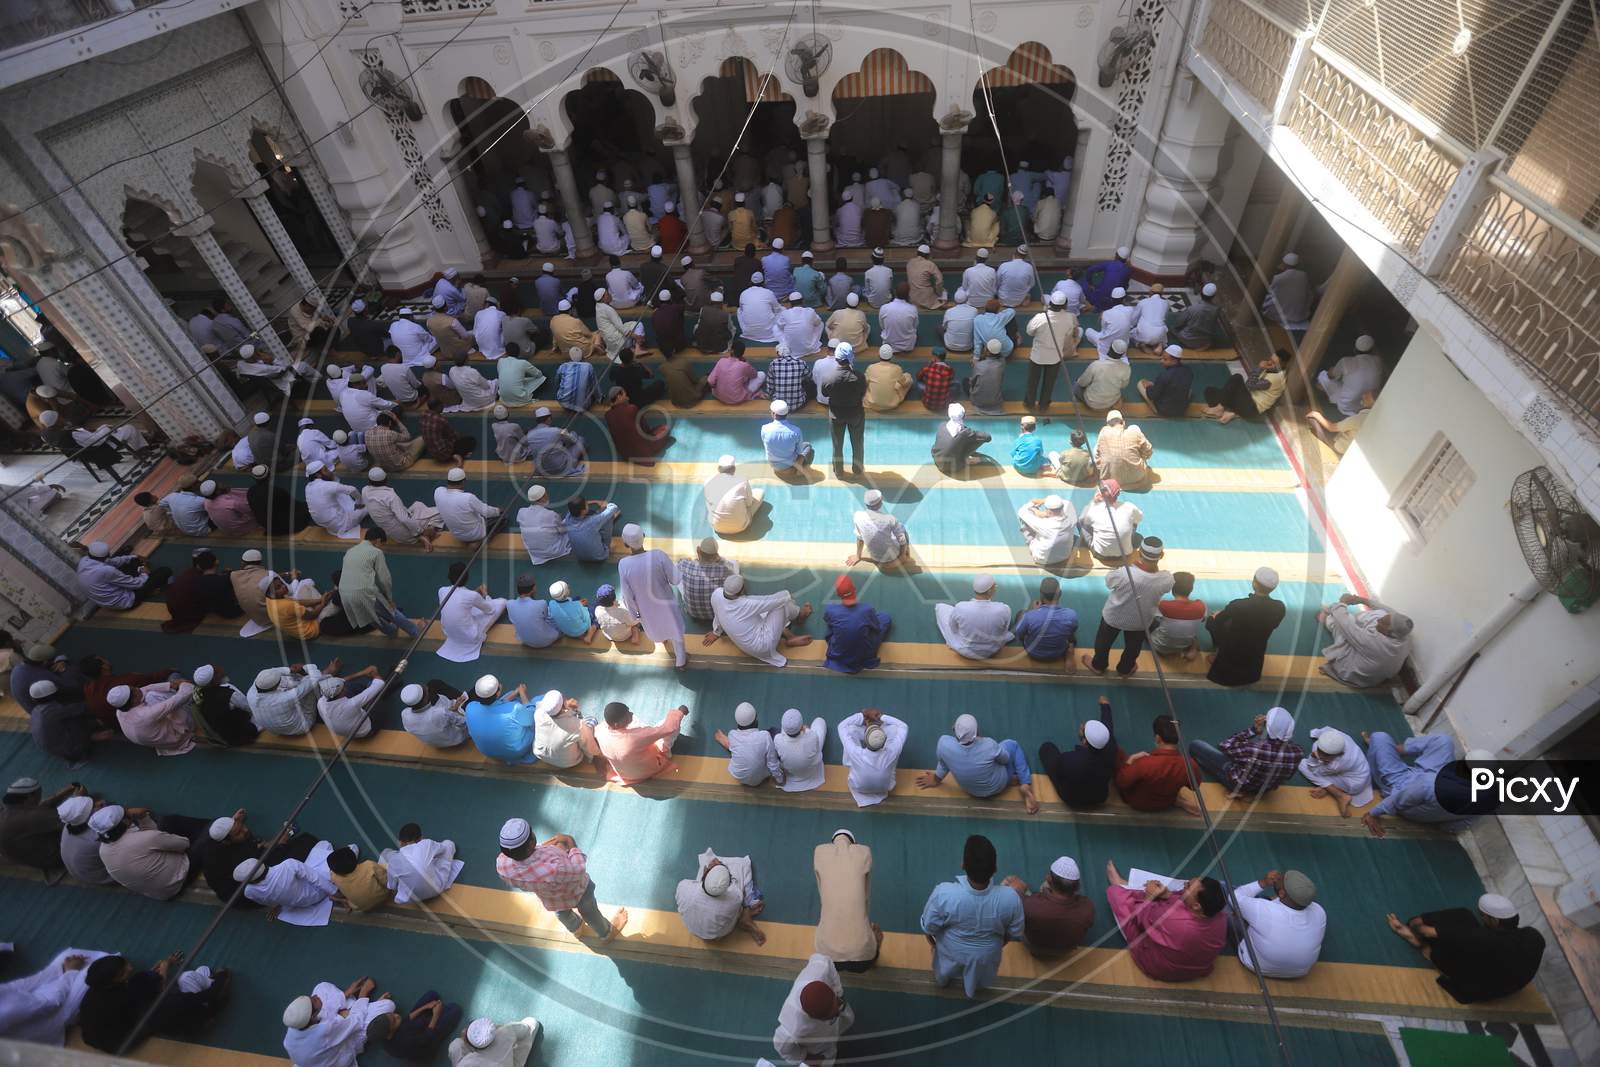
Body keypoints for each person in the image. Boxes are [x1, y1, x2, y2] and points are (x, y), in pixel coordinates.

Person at [1385, 893, 1546, 1004]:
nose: (1481, 917)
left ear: (1495, 922)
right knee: (1472, 942)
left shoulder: (1475, 936)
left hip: (1474, 989)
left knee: (1462, 918)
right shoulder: (1534, 936)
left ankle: (1419, 944)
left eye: (1483, 915)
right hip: (1510, 987)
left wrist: (1414, 926)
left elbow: (1423, 930)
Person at [921, 834, 1025, 998]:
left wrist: (936, 945)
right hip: (988, 954)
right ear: (995, 869)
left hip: (950, 950)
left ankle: (943, 980)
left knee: (943, 974)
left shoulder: (944, 893)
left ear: (963, 865)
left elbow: (928, 927)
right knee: (981, 980)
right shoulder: (1011, 898)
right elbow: (1015, 932)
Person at [79, 953, 229, 1053]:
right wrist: (165, 967)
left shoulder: (100, 989)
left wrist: (163, 967)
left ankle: (204, 985)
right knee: (168, 1004)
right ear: (113, 981)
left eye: (126, 965)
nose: (130, 968)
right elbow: (161, 992)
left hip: (102, 1034)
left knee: (186, 981)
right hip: (120, 1042)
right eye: (124, 971)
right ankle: (205, 1015)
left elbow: (142, 983)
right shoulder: (127, 998)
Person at [1105, 861, 1229, 981]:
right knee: (1172, 892)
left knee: (1117, 895)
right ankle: (1128, 886)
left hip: (1160, 967)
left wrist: (1149, 896)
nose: (1185, 884)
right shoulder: (1221, 917)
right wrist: (1168, 895)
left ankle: (1121, 886)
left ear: (1197, 906)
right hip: (1197, 968)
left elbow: (1141, 917)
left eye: (1188, 886)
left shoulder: (1173, 920)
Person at [1360, 733, 1495, 837]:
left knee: (1379, 737)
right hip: (1431, 780)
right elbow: (1463, 823)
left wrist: (1372, 814)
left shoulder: (1431, 785)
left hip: (1401, 784)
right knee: (1443, 740)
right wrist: (1446, 828)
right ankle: (1395, 749)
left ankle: (1384, 748)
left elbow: (1398, 800)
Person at [1082, 537, 1173, 677]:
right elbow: (1159, 583)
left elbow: (1109, 581)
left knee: (1103, 643)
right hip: (1141, 621)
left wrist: (1130, 565)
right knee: (1133, 647)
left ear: (1139, 552)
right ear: (1161, 555)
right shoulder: (1166, 579)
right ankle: (1125, 669)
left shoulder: (1125, 573)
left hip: (1114, 616)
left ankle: (1098, 665)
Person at [918, 713, 1039, 813]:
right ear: (977, 733)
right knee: (1012, 745)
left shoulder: (943, 743)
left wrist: (936, 779)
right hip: (998, 784)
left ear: (954, 730)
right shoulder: (989, 744)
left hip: (972, 791)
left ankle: (1010, 780)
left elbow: (944, 763)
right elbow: (1005, 760)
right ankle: (1025, 783)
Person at [92, 805, 210, 901]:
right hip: (180, 877)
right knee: (210, 832)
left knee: (168, 821)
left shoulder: (103, 850)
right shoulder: (145, 838)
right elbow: (185, 844)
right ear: (126, 821)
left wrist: (143, 818)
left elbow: (151, 838)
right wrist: (144, 817)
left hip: (157, 893)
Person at [0, 946, 112, 1045]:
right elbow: (51, 1002)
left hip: (32, 1001)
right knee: (100, 965)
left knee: (68, 956)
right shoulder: (7, 1012)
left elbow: (15, 987)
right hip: (45, 1019)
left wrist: (59, 969)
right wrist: (71, 972)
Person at [1187, 706, 1304, 800]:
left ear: (1266, 726)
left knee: (1196, 745)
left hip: (1238, 782)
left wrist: (1253, 730)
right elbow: (1287, 776)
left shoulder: (1253, 749)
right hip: (1264, 789)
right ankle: (1252, 794)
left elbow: (1225, 745)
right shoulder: (1298, 752)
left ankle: (1238, 790)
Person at [617, 524, 689, 668]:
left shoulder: (623, 564)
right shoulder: (658, 555)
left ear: (625, 543)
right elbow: (675, 579)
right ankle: (681, 659)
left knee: (658, 628)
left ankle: (664, 639)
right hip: (666, 604)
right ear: (643, 537)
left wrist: (634, 614)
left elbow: (627, 594)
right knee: (674, 628)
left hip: (645, 608)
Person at [281, 976, 395, 1067]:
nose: (315, 996)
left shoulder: (293, 1028)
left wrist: (346, 994)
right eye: (314, 1000)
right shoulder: (323, 1031)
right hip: (340, 1054)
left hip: (323, 1047)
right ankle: (358, 1006)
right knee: (388, 1006)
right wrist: (363, 993)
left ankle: (352, 1007)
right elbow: (356, 1022)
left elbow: (325, 1013)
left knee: (321, 987)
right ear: (312, 1016)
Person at [813, 829, 883, 973]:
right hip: (863, 957)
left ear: (831, 843)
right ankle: (873, 958)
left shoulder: (819, 852)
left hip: (828, 955)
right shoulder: (864, 852)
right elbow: (866, 894)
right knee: (875, 932)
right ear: (854, 843)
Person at [706, 575, 814, 666]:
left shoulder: (716, 594)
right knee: (781, 604)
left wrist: (716, 632)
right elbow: (780, 598)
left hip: (747, 645)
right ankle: (801, 615)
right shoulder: (747, 603)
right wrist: (788, 595)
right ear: (741, 590)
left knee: (764, 610)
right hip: (763, 646)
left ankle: (790, 637)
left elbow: (718, 611)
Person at [1205, 567, 1286, 686]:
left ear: (1254, 583)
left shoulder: (1239, 604)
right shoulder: (1279, 607)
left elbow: (1220, 621)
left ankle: (1218, 650)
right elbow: (1274, 625)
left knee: (1211, 620)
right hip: (1256, 649)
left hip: (1232, 647)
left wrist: (1216, 616)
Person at [772, 952, 854, 1066]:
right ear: (812, 1017)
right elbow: (781, 1045)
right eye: (831, 1016)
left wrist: (838, 992)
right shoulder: (793, 1025)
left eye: (835, 1006)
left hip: (831, 1030)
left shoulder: (820, 969)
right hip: (819, 1045)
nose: (837, 1012)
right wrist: (806, 1057)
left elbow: (827, 961)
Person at [1002, 856, 1094, 958]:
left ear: (1049, 878)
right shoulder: (1087, 908)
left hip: (1034, 946)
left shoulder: (1030, 905)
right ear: (1077, 886)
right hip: (1064, 951)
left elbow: (1016, 903)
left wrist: (1019, 890)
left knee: (1008, 887)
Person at [1319, 593, 1414, 688]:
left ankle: (1327, 619)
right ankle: (1340, 615)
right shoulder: (1405, 635)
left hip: (1351, 674)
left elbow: (1344, 623)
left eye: (1383, 622)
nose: (1379, 621)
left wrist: (1342, 603)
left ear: (1389, 632)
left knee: (1341, 628)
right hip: (1374, 666)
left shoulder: (1374, 641)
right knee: (1380, 613)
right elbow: (1388, 611)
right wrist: (1361, 600)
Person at [676, 847, 767, 944]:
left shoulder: (683, 887)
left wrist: (712, 871)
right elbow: (736, 889)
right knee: (740, 906)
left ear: (704, 874)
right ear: (728, 885)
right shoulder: (735, 897)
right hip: (719, 934)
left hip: (693, 929)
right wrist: (723, 869)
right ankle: (744, 917)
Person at [1038, 696, 1116, 808]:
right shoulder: (1111, 750)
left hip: (1072, 799)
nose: (1082, 726)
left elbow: (1059, 771)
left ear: (1085, 742)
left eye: (1083, 730)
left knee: (1047, 748)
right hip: (1099, 797)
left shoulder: (1070, 760)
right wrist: (1105, 706)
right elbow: (1108, 727)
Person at [1115, 714, 1200, 811]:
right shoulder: (1190, 765)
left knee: (1119, 754)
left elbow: (1121, 782)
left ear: (1158, 738)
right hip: (1166, 803)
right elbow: (1194, 786)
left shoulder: (1144, 763)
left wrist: (1130, 760)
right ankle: (1176, 800)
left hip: (1137, 803)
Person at [594, 700, 688, 784]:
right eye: (627, 715)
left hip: (624, 775)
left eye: (628, 711)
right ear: (617, 724)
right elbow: (668, 728)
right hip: (649, 769)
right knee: (668, 731)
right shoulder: (637, 736)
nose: (631, 714)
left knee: (635, 723)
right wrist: (679, 712)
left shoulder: (599, 731)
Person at [2, 778, 80, 875]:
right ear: (30, 797)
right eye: (39, 793)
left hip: (22, 855)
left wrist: (65, 792)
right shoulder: (30, 817)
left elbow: (40, 807)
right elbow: (73, 818)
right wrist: (79, 798)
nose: (41, 796)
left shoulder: (9, 811)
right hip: (51, 858)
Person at [823, 575, 892, 675]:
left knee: (832, 627)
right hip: (865, 655)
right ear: (854, 589)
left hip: (838, 655)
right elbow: (876, 628)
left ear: (838, 594)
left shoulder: (831, 610)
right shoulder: (867, 609)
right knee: (885, 617)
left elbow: (828, 622)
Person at [108, 678, 197, 756]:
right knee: (154, 695)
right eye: (135, 689)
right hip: (180, 736)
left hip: (162, 741)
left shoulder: (120, 710)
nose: (138, 688)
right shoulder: (145, 715)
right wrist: (182, 683)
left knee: (151, 694)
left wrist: (171, 684)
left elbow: (145, 689)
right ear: (134, 699)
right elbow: (181, 697)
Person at [934, 573, 1013, 661]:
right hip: (992, 651)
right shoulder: (1004, 609)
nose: (996, 588)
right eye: (995, 586)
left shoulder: (961, 607)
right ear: (990, 591)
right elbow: (1004, 630)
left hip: (966, 651)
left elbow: (953, 628)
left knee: (941, 607)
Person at [436, 566, 507, 662]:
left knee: (465, 610)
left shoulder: (441, 590)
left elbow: (459, 600)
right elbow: (490, 610)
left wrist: (476, 594)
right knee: (502, 602)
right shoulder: (471, 595)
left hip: (450, 633)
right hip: (470, 636)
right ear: (466, 578)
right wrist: (485, 594)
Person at [379, 822, 463, 904]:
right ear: (421, 838)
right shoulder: (426, 843)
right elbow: (443, 849)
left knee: (386, 853)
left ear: (400, 842)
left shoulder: (394, 860)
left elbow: (392, 886)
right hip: (437, 888)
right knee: (448, 844)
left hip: (410, 899)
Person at [1297, 727, 1374, 816]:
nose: (1320, 757)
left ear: (1340, 754)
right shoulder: (1335, 736)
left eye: (1326, 756)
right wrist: (1316, 733)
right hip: (1358, 772)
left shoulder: (1336, 764)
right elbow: (1325, 731)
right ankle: (1331, 789)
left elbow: (1314, 771)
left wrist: (1313, 757)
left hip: (1354, 783)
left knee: (1302, 764)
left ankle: (1339, 795)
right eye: (1320, 751)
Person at [161, 549, 242, 634]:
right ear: (216, 562)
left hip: (173, 609)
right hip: (189, 614)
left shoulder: (188, 574)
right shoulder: (202, 581)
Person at [1203, 348, 1291, 424]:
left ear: (1282, 364)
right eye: (1270, 359)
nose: (1269, 362)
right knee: (1209, 391)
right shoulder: (1273, 369)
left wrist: (1260, 368)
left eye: (1274, 362)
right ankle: (1230, 411)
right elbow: (1250, 382)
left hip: (1251, 407)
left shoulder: (1275, 379)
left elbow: (1249, 385)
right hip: (1246, 399)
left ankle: (1221, 408)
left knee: (1237, 378)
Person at [361, 468, 442, 550]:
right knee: (439, 512)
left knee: (417, 505)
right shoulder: (390, 496)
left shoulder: (364, 490)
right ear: (385, 480)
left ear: (369, 480)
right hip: (405, 534)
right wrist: (420, 531)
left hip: (391, 534)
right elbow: (404, 519)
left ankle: (421, 535)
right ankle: (425, 535)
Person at [463, 675, 535, 765]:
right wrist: (523, 693)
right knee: (537, 701)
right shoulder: (515, 709)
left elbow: (497, 704)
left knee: (510, 694)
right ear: (497, 693)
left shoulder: (470, 707)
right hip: (515, 753)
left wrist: (516, 692)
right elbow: (531, 718)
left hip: (488, 752)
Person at [249, 661, 334, 737]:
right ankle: (328, 675)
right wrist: (305, 667)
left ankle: (303, 678)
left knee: (287, 679)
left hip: (274, 731)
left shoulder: (251, 693)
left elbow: (273, 671)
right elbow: (315, 678)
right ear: (274, 686)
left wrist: (291, 670)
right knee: (308, 682)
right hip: (301, 726)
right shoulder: (283, 699)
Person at [1023, 291, 1076, 412]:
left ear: (1050, 303)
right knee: (1049, 382)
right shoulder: (1069, 318)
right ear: (1064, 305)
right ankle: (1043, 405)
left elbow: (1029, 332)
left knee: (1033, 381)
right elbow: (1068, 333)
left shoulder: (1040, 318)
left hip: (1038, 356)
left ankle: (1029, 403)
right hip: (1055, 357)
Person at [76, 541, 166, 610]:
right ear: (108, 555)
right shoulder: (106, 570)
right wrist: (144, 573)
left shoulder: (84, 560)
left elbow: (114, 561)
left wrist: (135, 557)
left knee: (134, 561)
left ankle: (144, 579)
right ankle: (148, 592)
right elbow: (137, 584)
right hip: (127, 602)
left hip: (106, 602)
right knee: (164, 571)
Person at [821, 344, 868, 475]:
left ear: (836, 358)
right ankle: (858, 469)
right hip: (856, 414)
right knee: (857, 443)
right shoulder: (859, 376)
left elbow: (824, 393)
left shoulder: (829, 377)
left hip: (836, 415)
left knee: (837, 444)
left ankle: (839, 471)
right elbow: (862, 393)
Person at [1012, 576, 1079, 666]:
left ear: (1041, 596)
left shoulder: (1029, 616)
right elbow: (1073, 629)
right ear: (1060, 594)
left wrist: (1034, 611)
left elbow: (1019, 633)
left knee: (1021, 614)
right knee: (1070, 628)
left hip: (1033, 653)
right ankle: (1070, 650)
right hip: (1058, 653)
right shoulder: (1071, 615)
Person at [716, 701, 785, 787]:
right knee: (774, 732)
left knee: (741, 749)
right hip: (759, 779)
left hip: (739, 777)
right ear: (756, 719)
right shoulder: (765, 736)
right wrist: (780, 779)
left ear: (737, 722)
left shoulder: (732, 734)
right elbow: (772, 762)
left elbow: (734, 746)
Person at [1077, 479, 1143, 561]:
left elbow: (1081, 519)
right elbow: (1139, 518)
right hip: (1125, 555)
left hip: (1100, 554)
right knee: (1134, 521)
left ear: (1100, 494)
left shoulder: (1094, 510)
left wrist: (1093, 502)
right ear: (1118, 493)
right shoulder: (1129, 507)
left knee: (1081, 520)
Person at [1147, 570, 1206, 659]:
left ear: (1172, 588)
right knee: (1191, 629)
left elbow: (1150, 614)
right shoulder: (1201, 606)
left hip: (1160, 647)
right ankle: (1192, 648)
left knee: (1148, 622)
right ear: (1191, 589)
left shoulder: (1164, 605)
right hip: (1184, 646)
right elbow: (1203, 619)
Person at [316, 665, 386, 740]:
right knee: (375, 693)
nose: (345, 687)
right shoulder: (351, 705)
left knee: (350, 686)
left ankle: (369, 690)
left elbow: (342, 681)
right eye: (343, 688)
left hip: (350, 734)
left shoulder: (321, 702)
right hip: (368, 730)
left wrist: (362, 673)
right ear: (342, 692)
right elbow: (380, 683)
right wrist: (374, 674)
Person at [435, 467, 501, 545]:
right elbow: (487, 512)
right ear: (463, 482)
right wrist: (498, 511)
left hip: (457, 536)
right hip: (476, 534)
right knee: (502, 517)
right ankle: (480, 542)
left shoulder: (438, 492)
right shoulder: (467, 498)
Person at [1095, 409, 1154, 489]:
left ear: (1107, 425)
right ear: (1123, 422)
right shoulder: (1135, 432)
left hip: (1110, 482)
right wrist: (1141, 455)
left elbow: (1098, 455)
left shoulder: (1103, 432)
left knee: (1097, 448)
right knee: (1134, 427)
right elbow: (1149, 450)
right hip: (1137, 479)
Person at [704, 455, 764, 534]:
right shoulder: (742, 481)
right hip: (741, 527)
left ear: (718, 468)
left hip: (717, 527)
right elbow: (749, 504)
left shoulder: (708, 481)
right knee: (759, 492)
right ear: (734, 469)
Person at [400, 681, 469, 749]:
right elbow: (465, 724)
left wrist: (450, 711)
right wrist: (456, 710)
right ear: (425, 699)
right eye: (426, 691)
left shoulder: (405, 714)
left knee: (433, 684)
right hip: (458, 739)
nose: (427, 688)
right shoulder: (440, 713)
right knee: (472, 697)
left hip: (437, 743)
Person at [449, 1016, 540, 1067]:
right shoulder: (506, 1032)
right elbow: (523, 1030)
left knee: (455, 1045)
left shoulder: (465, 1063)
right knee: (531, 1024)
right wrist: (501, 1028)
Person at [848, 489, 908, 567]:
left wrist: (858, 556)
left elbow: (859, 537)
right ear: (880, 503)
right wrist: (902, 556)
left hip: (874, 557)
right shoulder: (890, 519)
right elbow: (902, 539)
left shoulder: (857, 516)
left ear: (865, 504)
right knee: (901, 526)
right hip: (892, 556)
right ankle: (901, 557)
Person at [773, 708, 827, 792]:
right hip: (812, 772)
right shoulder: (812, 736)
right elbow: (816, 750)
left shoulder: (777, 740)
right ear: (801, 726)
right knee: (819, 721)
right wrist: (806, 730)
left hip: (792, 775)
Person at [326, 845, 392, 913]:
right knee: (386, 852)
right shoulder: (370, 865)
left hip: (361, 907)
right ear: (354, 857)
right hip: (383, 896)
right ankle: (344, 901)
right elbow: (387, 882)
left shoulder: (334, 877)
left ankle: (344, 901)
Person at [931, 402, 992, 476]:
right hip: (951, 467)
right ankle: (965, 460)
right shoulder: (965, 432)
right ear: (963, 416)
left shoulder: (942, 425)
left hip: (936, 458)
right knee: (976, 439)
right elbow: (987, 437)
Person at [1306, 391, 1374, 455]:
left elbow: (1331, 428)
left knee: (1313, 419)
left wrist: (1317, 415)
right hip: (1353, 448)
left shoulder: (1361, 418)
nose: (1363, 395)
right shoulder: (1374, 417)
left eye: (1367, 397)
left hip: (1339, 446)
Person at [1136, 344, 1194, 419]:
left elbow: (1152, 395)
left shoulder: (1164, 376)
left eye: (1165, 359)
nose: (1161, 361)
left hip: (1164, 411)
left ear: (1174, 360)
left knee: (1141, 383)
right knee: (1189, 391)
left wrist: (1148, 387)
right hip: (1182, 410)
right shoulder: (1188, 371)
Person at [1017, 494, 1077, 566]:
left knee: (1027, 517)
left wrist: (1033, 505)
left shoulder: (1043, 524)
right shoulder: (1071, 514)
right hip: (1065, 556)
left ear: (1049, 512)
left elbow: (1021, 512)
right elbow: (1066, 503)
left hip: (1042, 559)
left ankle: (1031, 543)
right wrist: (1045, 505)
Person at [1076, 338, 1132, 411]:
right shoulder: (1126, 368)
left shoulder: (1096, 365)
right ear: (1122, 354)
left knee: (1076, 385)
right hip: (1111, 402)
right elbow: (1123, 386)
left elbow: (1082, 383)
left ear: (1110, 349)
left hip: (1091, 402)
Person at [1169, 282, 1228, 350]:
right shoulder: (1217, 309)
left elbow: (1179, 323)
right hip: (1204, 341)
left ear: (1201, 294)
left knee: (1173, 328)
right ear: (1213, 296)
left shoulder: (1193, 308)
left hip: (1187, 339)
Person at [761, 399, 813, 473]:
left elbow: (766, 445)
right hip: (789, 464)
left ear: (773, 414)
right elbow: (799, 451)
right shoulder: (796, 431)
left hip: (772, 463)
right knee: (808, 445)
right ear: (787, 413)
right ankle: (798, 464)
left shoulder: (764, 428)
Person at [1262, 252, 1312, 328]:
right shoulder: (1304, 275)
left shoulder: (1278, 278)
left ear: (1284, 264)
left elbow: (1270, 293)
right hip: (1299, 316)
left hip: (1280, 316)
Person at [564, 497, 620, 563]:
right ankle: (606, 546)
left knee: (596, 519)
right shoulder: (592, 521)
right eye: (586, 504)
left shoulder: (568, 518)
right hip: (600, 556)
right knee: (608, 518)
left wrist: (594, 501)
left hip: (580, 557)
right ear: (583, 511)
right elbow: (614, 507)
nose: (587, 504)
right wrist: (604, 505)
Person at [864, 344, 913, 410]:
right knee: (908, 378)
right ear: (891, 356)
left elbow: (864, 383)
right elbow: (904, 383)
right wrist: (908, 377)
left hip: (872, 403)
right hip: (892, 404)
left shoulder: (871, 368)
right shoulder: (896, 369)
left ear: (879, 355)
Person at [877, 285, 919, 355]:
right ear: (908, 295)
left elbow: (882, 326)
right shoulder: (913, 309)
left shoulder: (884, 308)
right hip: (908, 346)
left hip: (889, 346)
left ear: (895, 293)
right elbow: (915, 326)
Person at [906, 243, 945, 308]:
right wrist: (939, 292)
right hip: (926, 299)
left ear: (917, 253)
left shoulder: (910, 262)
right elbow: (940, 280)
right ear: (928, 255)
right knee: (944, 292)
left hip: (912, 298)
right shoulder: (930, 264)